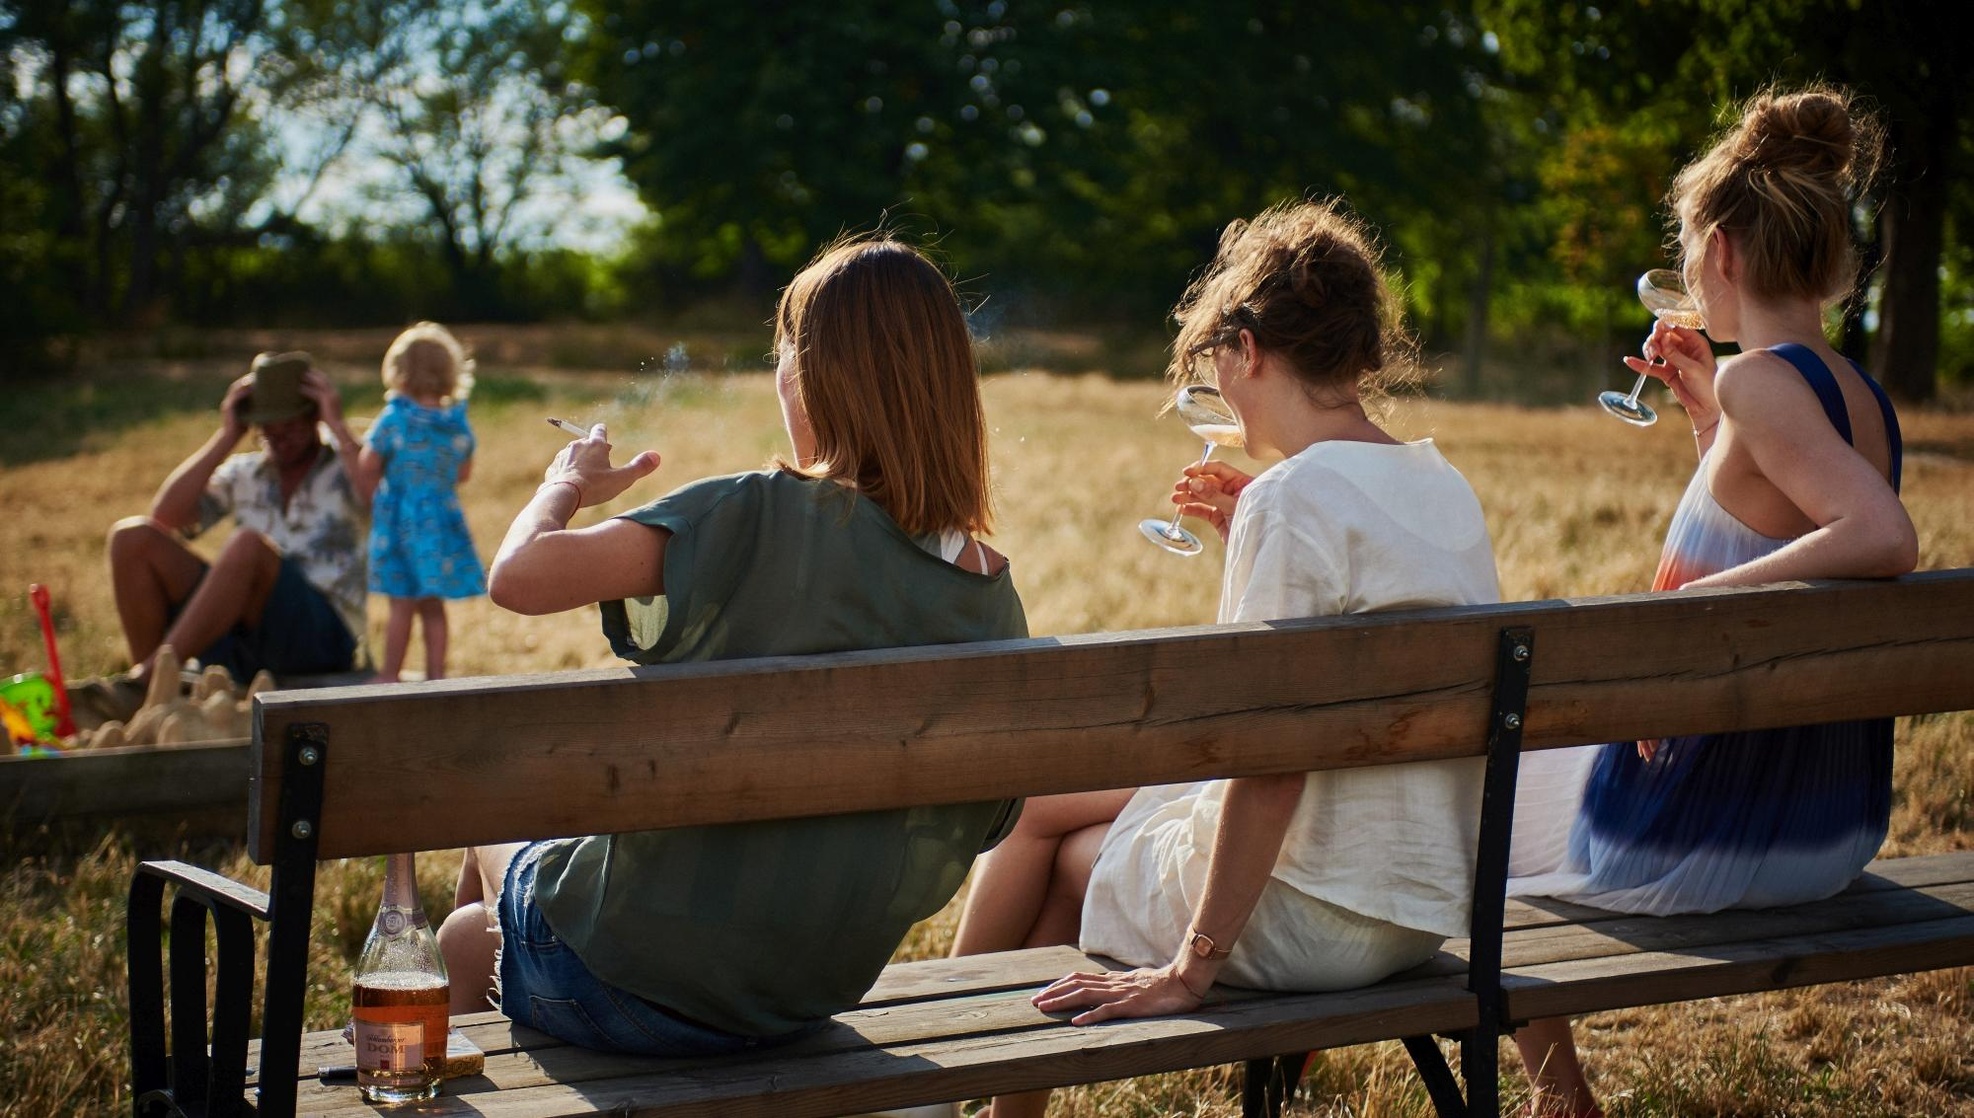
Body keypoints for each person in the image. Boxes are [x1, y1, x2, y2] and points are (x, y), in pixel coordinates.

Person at [948, 199, 1501, 1118]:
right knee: (1048, 814)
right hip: (1415, 909)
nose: (1219, 388)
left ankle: (929, 1091)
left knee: (1039, 842)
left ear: (1247, 348)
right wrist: (1260, 528)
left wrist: (1190, 969)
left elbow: (1269, 760)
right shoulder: (1442, 486)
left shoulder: (1294, 499)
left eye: (1214, 362)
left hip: (1309, 918)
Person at [435, 236, 1027, 1059]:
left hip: (631, 981)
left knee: (482, 857)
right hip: (798, 994)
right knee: (480, 924)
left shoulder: (754, 514)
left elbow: (518, 578)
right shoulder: (991, 594)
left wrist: (562, 485)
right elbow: (986, 824)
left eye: (786, 354)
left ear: (819, 377)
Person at [1506, 86, 1917, 1118]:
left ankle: (1561, 1099)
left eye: (1687, 244)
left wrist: (1685, 623)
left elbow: (1880, 536)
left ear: (1724, 251)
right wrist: (1707, 425)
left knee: (1453, 818)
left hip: (1722, 831)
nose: (1686, 269)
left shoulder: (1763, 384)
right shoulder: (1850, 387)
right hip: (1832, 819)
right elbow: (1779, 518)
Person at [96, 351, 369, 713]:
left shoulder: (349, 465)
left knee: (247, 545)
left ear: (313, 415)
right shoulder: (246, 473)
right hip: (246, 637)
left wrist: (338, 425)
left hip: (320, 639)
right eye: (267, 425)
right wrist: (226, 436)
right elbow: (166, 516)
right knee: (131, 539)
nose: (278, 434)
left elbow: (383, 502)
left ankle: (146, 681)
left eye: (289, 423)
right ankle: (152, 698)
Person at [354, 323, 486, 682]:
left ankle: (390, 674)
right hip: (441, 523)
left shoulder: (395, 418)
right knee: (432, 605)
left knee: (401, 603)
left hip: (400, 520)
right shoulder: (456, 423)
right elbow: (463, 473)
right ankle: (435, 677)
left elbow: (368, 462)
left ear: (398, 372)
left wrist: (375, 497)